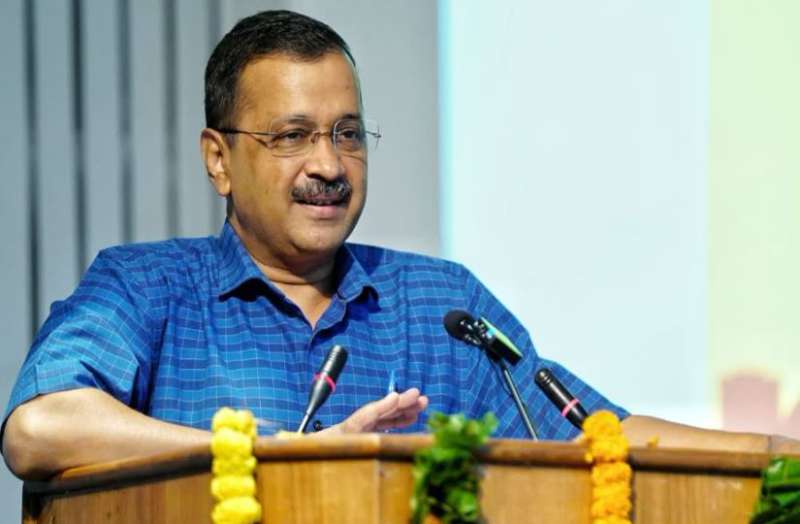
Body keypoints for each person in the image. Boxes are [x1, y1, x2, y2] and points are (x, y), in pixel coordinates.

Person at [1, 10, 795, 481]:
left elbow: (601, 436)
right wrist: (284, 456)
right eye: (292, 136)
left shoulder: (443, 306)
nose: (328, 165)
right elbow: (39, 430)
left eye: (348, 134)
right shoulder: (146, 289)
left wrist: (780, 452)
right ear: (219, 159)